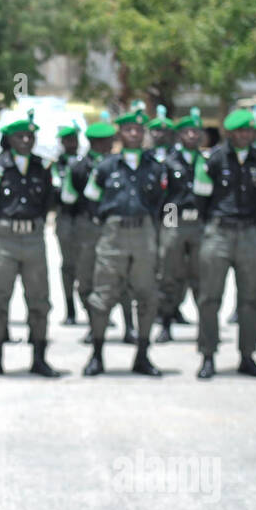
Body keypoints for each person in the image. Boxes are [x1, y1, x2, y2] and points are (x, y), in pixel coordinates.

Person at [81, 102, 166, 377]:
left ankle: (142, 354)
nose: (134, 134)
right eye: (128, 129)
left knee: (147, 295)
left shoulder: (155, 166)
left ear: (144, 133)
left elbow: (163, 202)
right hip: (114, 234)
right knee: (102, 296)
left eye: (138, 129)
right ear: (120, 134)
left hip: (144, 233)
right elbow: (91, 200)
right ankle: (97, 354)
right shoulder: (106, 166)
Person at [0, 111, 60, 377]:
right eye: (20, 136)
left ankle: (39, 357)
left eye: (30, 135)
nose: (25, 139)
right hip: (4, 240)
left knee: (39, 300)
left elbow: (49, 201)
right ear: (8, 139)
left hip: (34, 237)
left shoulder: (44, 166)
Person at [191, 109, 256, 378]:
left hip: (250, 233)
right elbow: (201, 199)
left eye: (249, 130)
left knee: (250, 298)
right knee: (210, 297)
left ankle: (247, 356)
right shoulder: (213, 160)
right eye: (240, 131)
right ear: (229, 133)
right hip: (219, 233)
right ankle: (208, 355)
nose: (245, 135)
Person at [155, 107, 204, 342]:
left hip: (199, 222)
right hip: (174, 218)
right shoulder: (168, 162)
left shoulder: (206, 161)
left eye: (196, 132)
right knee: (169, 274)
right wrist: (168, 224)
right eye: (188, 132)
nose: (193, 136)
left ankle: (204, 327)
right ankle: (165, 322)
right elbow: (163, 197)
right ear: (180, 136)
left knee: (200, 275)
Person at [65, 112, 116, 337]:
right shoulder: (78, 167)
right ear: (97, 143)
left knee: (117, 276)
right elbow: (68, 198)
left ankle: (128, 326)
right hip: (86, 226)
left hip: (113, 227)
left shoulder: (118, 164)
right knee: (85, 277)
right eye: (107, 142)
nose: (111, 145)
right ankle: (94, 322)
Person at [51, 122, 83, 325]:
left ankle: (94, 310)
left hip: (86, 218)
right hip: (66, 219)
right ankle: (70, 310)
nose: (72, 143)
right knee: (69, 266)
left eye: (74, 139)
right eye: (67, 140)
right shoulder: (56, 165)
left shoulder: (86, 161)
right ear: (62, 143)